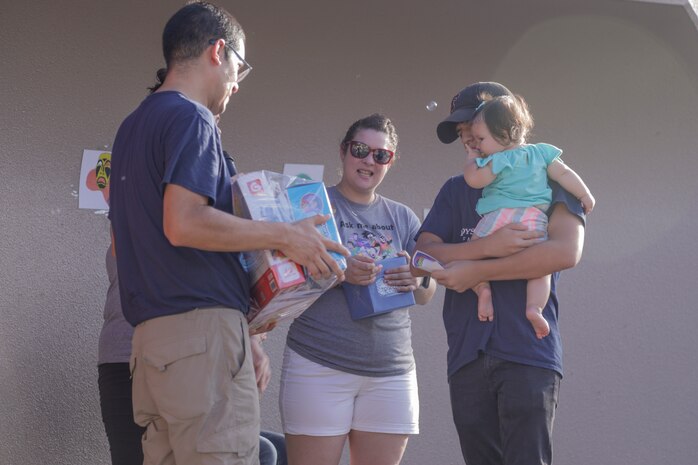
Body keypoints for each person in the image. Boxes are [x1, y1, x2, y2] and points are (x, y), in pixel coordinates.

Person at [108, 3, 348, 464]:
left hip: (150, 346)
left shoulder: (131, 128)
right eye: (241, 65)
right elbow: (184, 222)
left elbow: (126, 244)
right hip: (202, 342)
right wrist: (285, 236)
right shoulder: (192, 117)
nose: (238, 82)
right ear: (218, 51)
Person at [414, 82, 586, 465]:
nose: (465, 138)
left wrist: (476, 269)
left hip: (528, 349)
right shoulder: (455, 189)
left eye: (470, 127)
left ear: (502, 122)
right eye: (460, 132)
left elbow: (565, 252)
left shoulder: (549, 176)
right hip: (467, 354)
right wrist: (484, 247)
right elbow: (420, 256)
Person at [280, 113, 437, 465]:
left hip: (391, 371)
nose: (369, 161)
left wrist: (416, 280)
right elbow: (285, 273)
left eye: (381, 155)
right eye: (360, 150)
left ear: (390, 162)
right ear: (343, 151)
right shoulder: (313, 206)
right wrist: (339, 272)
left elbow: (429, 290)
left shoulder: (403, 216)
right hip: (319, 362)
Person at [98, 246, 287, 465]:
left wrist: (248, 334)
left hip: (184, 352)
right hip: (156, 354)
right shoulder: (165, 229)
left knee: (273, 451)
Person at [464, 94, 595, 339]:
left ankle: (482, 289)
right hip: (533, 220)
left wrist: (472, 159)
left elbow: (474, 180)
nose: (478, 144)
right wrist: (585, 194)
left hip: (499, 218)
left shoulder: (498, 159)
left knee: (472, 251)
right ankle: (534, 307)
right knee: (541, 268)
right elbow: (565, 174)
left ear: (505, 133)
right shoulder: (540, 153)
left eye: (481, 139)